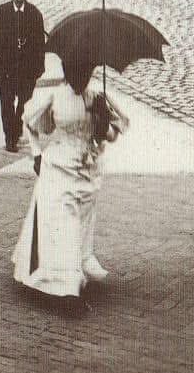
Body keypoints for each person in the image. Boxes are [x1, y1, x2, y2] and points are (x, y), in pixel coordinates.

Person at [11, 63, 129, 314]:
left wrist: (102, 119)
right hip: (58, 169)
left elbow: (109, 135)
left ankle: (75, 273)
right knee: (64, 225)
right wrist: (36, 154)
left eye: (85, 72)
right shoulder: (54, 97)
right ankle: (65, 288)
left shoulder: (98, 97)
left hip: (88, 171)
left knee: (81, 226)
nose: (81, 77)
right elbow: (31, 124)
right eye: (75, 72)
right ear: (66, 70)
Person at [0, 0, 45, 152]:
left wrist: (39, 68)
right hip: (6, 68)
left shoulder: (34, 14)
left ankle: (16, 126)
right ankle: (10, 136)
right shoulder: (2, 11)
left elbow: (40, 44)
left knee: (23, 104)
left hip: (26, 70)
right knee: (6, 103)